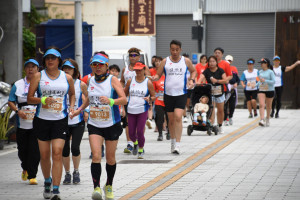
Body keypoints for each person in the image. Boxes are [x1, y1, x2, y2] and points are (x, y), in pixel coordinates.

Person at [27, 47, 75, 200]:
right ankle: (47, 181)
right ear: (45, 61)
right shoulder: (38, 76)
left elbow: (72, 94)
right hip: (42, 119)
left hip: (60, 120)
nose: (50, 60)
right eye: (48, 58)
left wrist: (72, 107)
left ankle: (56, 189)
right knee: (45, 154)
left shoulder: (66, 78)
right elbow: (29, 98)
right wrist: (42, 100)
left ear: (59, 60)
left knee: (57, 152)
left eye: (53, 58)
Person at [82, 53, 127, 200]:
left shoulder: (112, 80)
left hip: (111, 123)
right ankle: (96, 188)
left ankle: (109, 185)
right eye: (95, 65)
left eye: (100, 64)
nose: (98, 67)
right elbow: (89, 98)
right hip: (95, 123)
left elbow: (124, 99)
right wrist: (80, 109)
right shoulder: (90, 80)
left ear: (106, 66)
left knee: (110, 158)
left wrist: (111, 101)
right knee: (96, 156)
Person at [152, 40, 196, 154]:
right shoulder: (165, 61)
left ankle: (178, 144)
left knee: (178, 117)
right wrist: (154, 78)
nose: (175, 52)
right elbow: (158, 74)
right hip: (168, 94)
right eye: (172, 49)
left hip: (181, 93)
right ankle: (172, 141)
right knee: (171, 120)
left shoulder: (185, 61)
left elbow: (193, 71)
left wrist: (191, 80)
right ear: (170, 49)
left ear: (180, 49)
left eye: (177, 49)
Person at [8, 58, 40, 185]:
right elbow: (11, 100)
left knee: (35, 150)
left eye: (33, 67)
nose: (31, 69)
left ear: (38, 69)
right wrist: (17, 110)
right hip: (22, 123)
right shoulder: (18, 84)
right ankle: (25, 168)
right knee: (23, 150)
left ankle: (32, 175)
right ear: (25, 69)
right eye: (28, 67)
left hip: (37, 122)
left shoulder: (41, 84)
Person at [61, 59, 88, 185]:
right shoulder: (59, 83)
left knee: (75, 147)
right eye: (65, 68)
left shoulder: (81, 84)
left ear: (75, 70)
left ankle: (76, 171)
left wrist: (84, 110)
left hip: (77, 120)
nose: (67, 71)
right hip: (61, 121)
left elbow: (88, 98)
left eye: (69, 68)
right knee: (64, 149)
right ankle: (67, 173)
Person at [120, 47, 151, 154]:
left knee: (140, 127)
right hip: (128, 100)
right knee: (128, 125)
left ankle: (140, 143)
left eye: (134, 55)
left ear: (138, 57)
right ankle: (131, 143)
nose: (132, 57)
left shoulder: (144, 68)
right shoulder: (125, 69)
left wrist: (149, 98)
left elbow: (149, 81)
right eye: (130, 55)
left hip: (141, 99)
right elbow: (122, 82)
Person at [125, 61, 155, 158]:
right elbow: (123, 93)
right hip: (131, 110)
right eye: (136, 70)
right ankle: (136, 143)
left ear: (144, 70)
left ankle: (141, 149)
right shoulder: (130, 81)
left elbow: (154, 96)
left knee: (140, 131)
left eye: (140, 70)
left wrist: (149, 99)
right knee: (131, 133)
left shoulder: (148, 82)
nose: (138, 72)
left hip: (142, 109)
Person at [197, 56, 227, 134]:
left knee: (220, 110)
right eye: (210, 61)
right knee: (211, 109)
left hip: (219, 93)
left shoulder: (220, 70)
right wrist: (198, 83)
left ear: (216, 62)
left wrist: (217, 80)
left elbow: (225, 81)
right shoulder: (206, 71)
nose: (212, 63)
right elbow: (200, 78)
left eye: (213, 61)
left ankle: (220, 125)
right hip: (210, 93)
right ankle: (211, 125)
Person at [257, 58, 275, 127]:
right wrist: (254, 85)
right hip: (261, 89)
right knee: (261, 104)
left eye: (262, 63)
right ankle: (261, 119)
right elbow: (258, 80)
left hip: (270, 90)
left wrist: (265, 80)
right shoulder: (260, 72)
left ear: (266, 64)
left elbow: (273, 82)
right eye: (261, 63)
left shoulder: (270, 72)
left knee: (268, 106)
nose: (261, 64)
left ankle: (267, 118)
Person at [153, 72, 170, 141]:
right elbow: (153, 91)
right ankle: (160, 134)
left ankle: (169, 132)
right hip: (158, 101)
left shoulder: (169, 77)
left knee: (168, 118)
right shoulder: (156, 79)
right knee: (159, 118)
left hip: (168, 101)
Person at [224, 55, 240, 125]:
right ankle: (225, 119)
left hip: (232, 90)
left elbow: (237, 79)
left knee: (232, 105)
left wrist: (236, 83)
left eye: (230, 61)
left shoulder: (233, 71)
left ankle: (230, 117)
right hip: (225, 90)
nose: (229, 63)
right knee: (224, 105)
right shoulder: (222, 71)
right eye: (227, 61)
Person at [182, 53, 191, 123]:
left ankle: (189, 112)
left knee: (188, 103)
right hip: (182, 88)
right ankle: (184, 116)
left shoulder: (190, 68)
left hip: (189, 88)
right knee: (183, 103)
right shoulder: (180, 67)